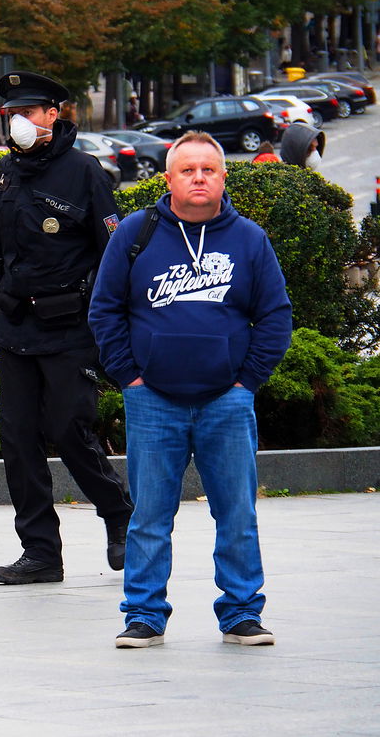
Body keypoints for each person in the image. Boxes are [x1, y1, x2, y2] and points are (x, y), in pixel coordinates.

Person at [89, 131, 292, 648]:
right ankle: (144, 615)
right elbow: (105, 310)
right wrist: (130, 378)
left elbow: (274, 317)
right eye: (188, 170)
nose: (199, 177)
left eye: (208, 169)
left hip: (227, 399)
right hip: (153, 400)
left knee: (238, 514)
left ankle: (243, 613)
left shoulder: (250, 240)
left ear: (224, 177)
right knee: (150, 517)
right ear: (169, 178)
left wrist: (247, 383)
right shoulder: (135, 234)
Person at [0, 71, 133, 585]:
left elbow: (116, 255)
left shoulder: (84, 172)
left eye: (28, 113)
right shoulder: (1, 174)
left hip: (70, 327)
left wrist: (113, 327)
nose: (18, 123)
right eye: (11, 115)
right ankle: (41, 552)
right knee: (18, 441)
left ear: (54, 114)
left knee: (69, 429)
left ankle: (118, 513)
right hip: (15, 327)